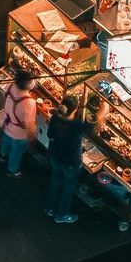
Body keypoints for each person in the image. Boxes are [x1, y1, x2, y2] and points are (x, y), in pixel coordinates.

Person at [44, 93, 85, 222]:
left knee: (55, 180)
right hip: (71, 162)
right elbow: (94, 121)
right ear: (75, 109)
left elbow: (50, 134)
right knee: (69, 186)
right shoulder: (76, 125)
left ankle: (50, 209)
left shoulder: (55, 118)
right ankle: (62, 215)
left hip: (55, 157)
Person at [0, 69, 39, 175]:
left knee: (6, 141)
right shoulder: (29, 103)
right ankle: (12, 170)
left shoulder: (10, 86)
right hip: (19, 133)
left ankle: (3, 156)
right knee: (16, 151)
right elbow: (29, 124)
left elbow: (3, 97)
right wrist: (33, 136)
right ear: (29, 85)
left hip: (6, 123)